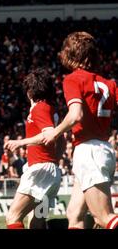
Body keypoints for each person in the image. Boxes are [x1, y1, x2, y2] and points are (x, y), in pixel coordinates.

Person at [41, 32, 118, 229]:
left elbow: (76, 115)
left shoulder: (73, 79)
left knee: (105, 218)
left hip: (89, 151)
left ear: (71, 54)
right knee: (74, 215)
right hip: (103, 149)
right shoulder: (110, 84)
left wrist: (54, 132)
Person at [4, 68, 62, 229]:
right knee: (37, 222)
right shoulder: (52, 109)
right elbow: (61, 140)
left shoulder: (40, 108)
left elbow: (49, 133)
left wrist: (21, 142)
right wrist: (54, 162)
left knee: (13, 216)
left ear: (30, 90)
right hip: (50, 171)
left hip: (40, 171)